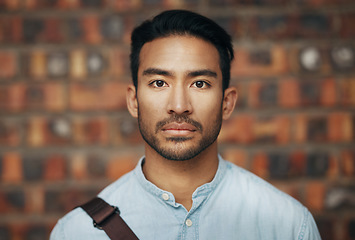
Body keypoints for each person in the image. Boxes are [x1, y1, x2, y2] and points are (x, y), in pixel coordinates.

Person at [50, 10, 321, 239]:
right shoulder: (78, 232)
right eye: (159, 83)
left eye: (200, 83)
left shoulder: (287, 225)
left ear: (227, 103)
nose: (179, 105)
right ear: (134, 101)